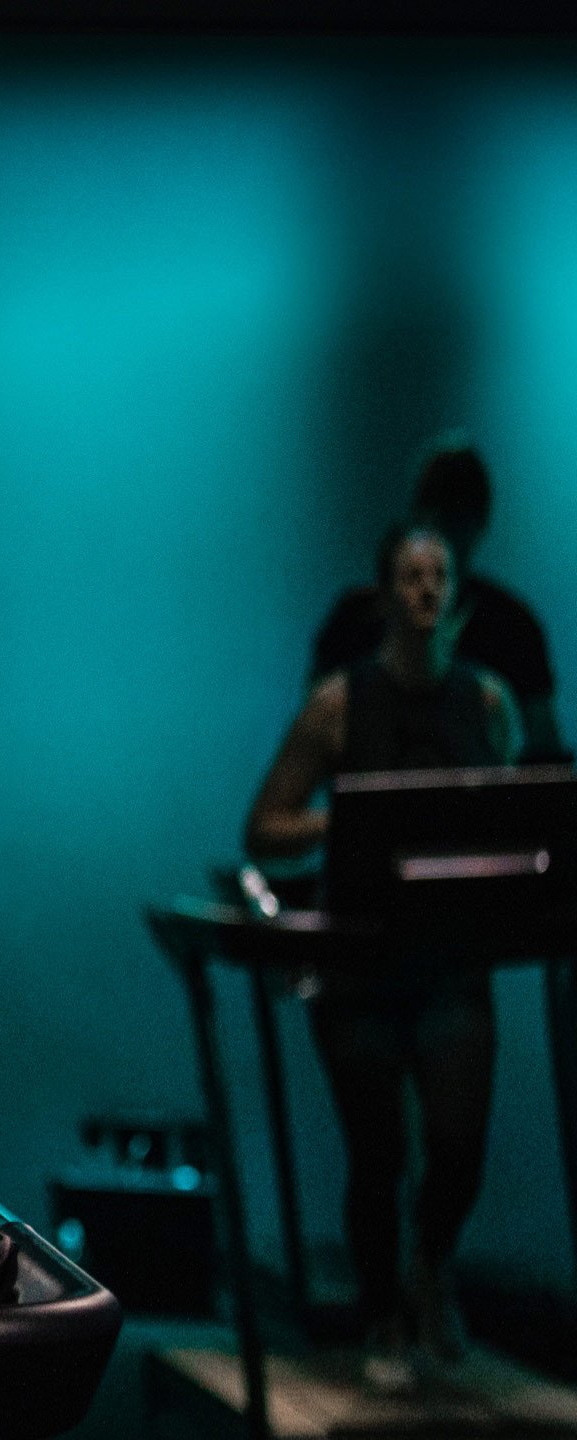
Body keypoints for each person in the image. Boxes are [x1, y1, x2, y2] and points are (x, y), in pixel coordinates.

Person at [245, 521, 521, 1389]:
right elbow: (265, 828)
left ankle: (428, 1270)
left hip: (451, 961)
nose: (427, 590)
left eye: (440, 575)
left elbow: (506, 816)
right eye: (412, 575)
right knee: (377, 1153)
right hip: (362, 964)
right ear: (386, 593)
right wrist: (354, 817)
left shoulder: (485, 702)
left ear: (456, 593)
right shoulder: (339, 704)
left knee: (457, 1143)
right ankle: (381, 1317)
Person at [308, 441, 563, 762]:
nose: (428, 592)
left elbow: (543, 756)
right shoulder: (352, 624)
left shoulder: (507, 648)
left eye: (459, 515)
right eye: (413, 578)